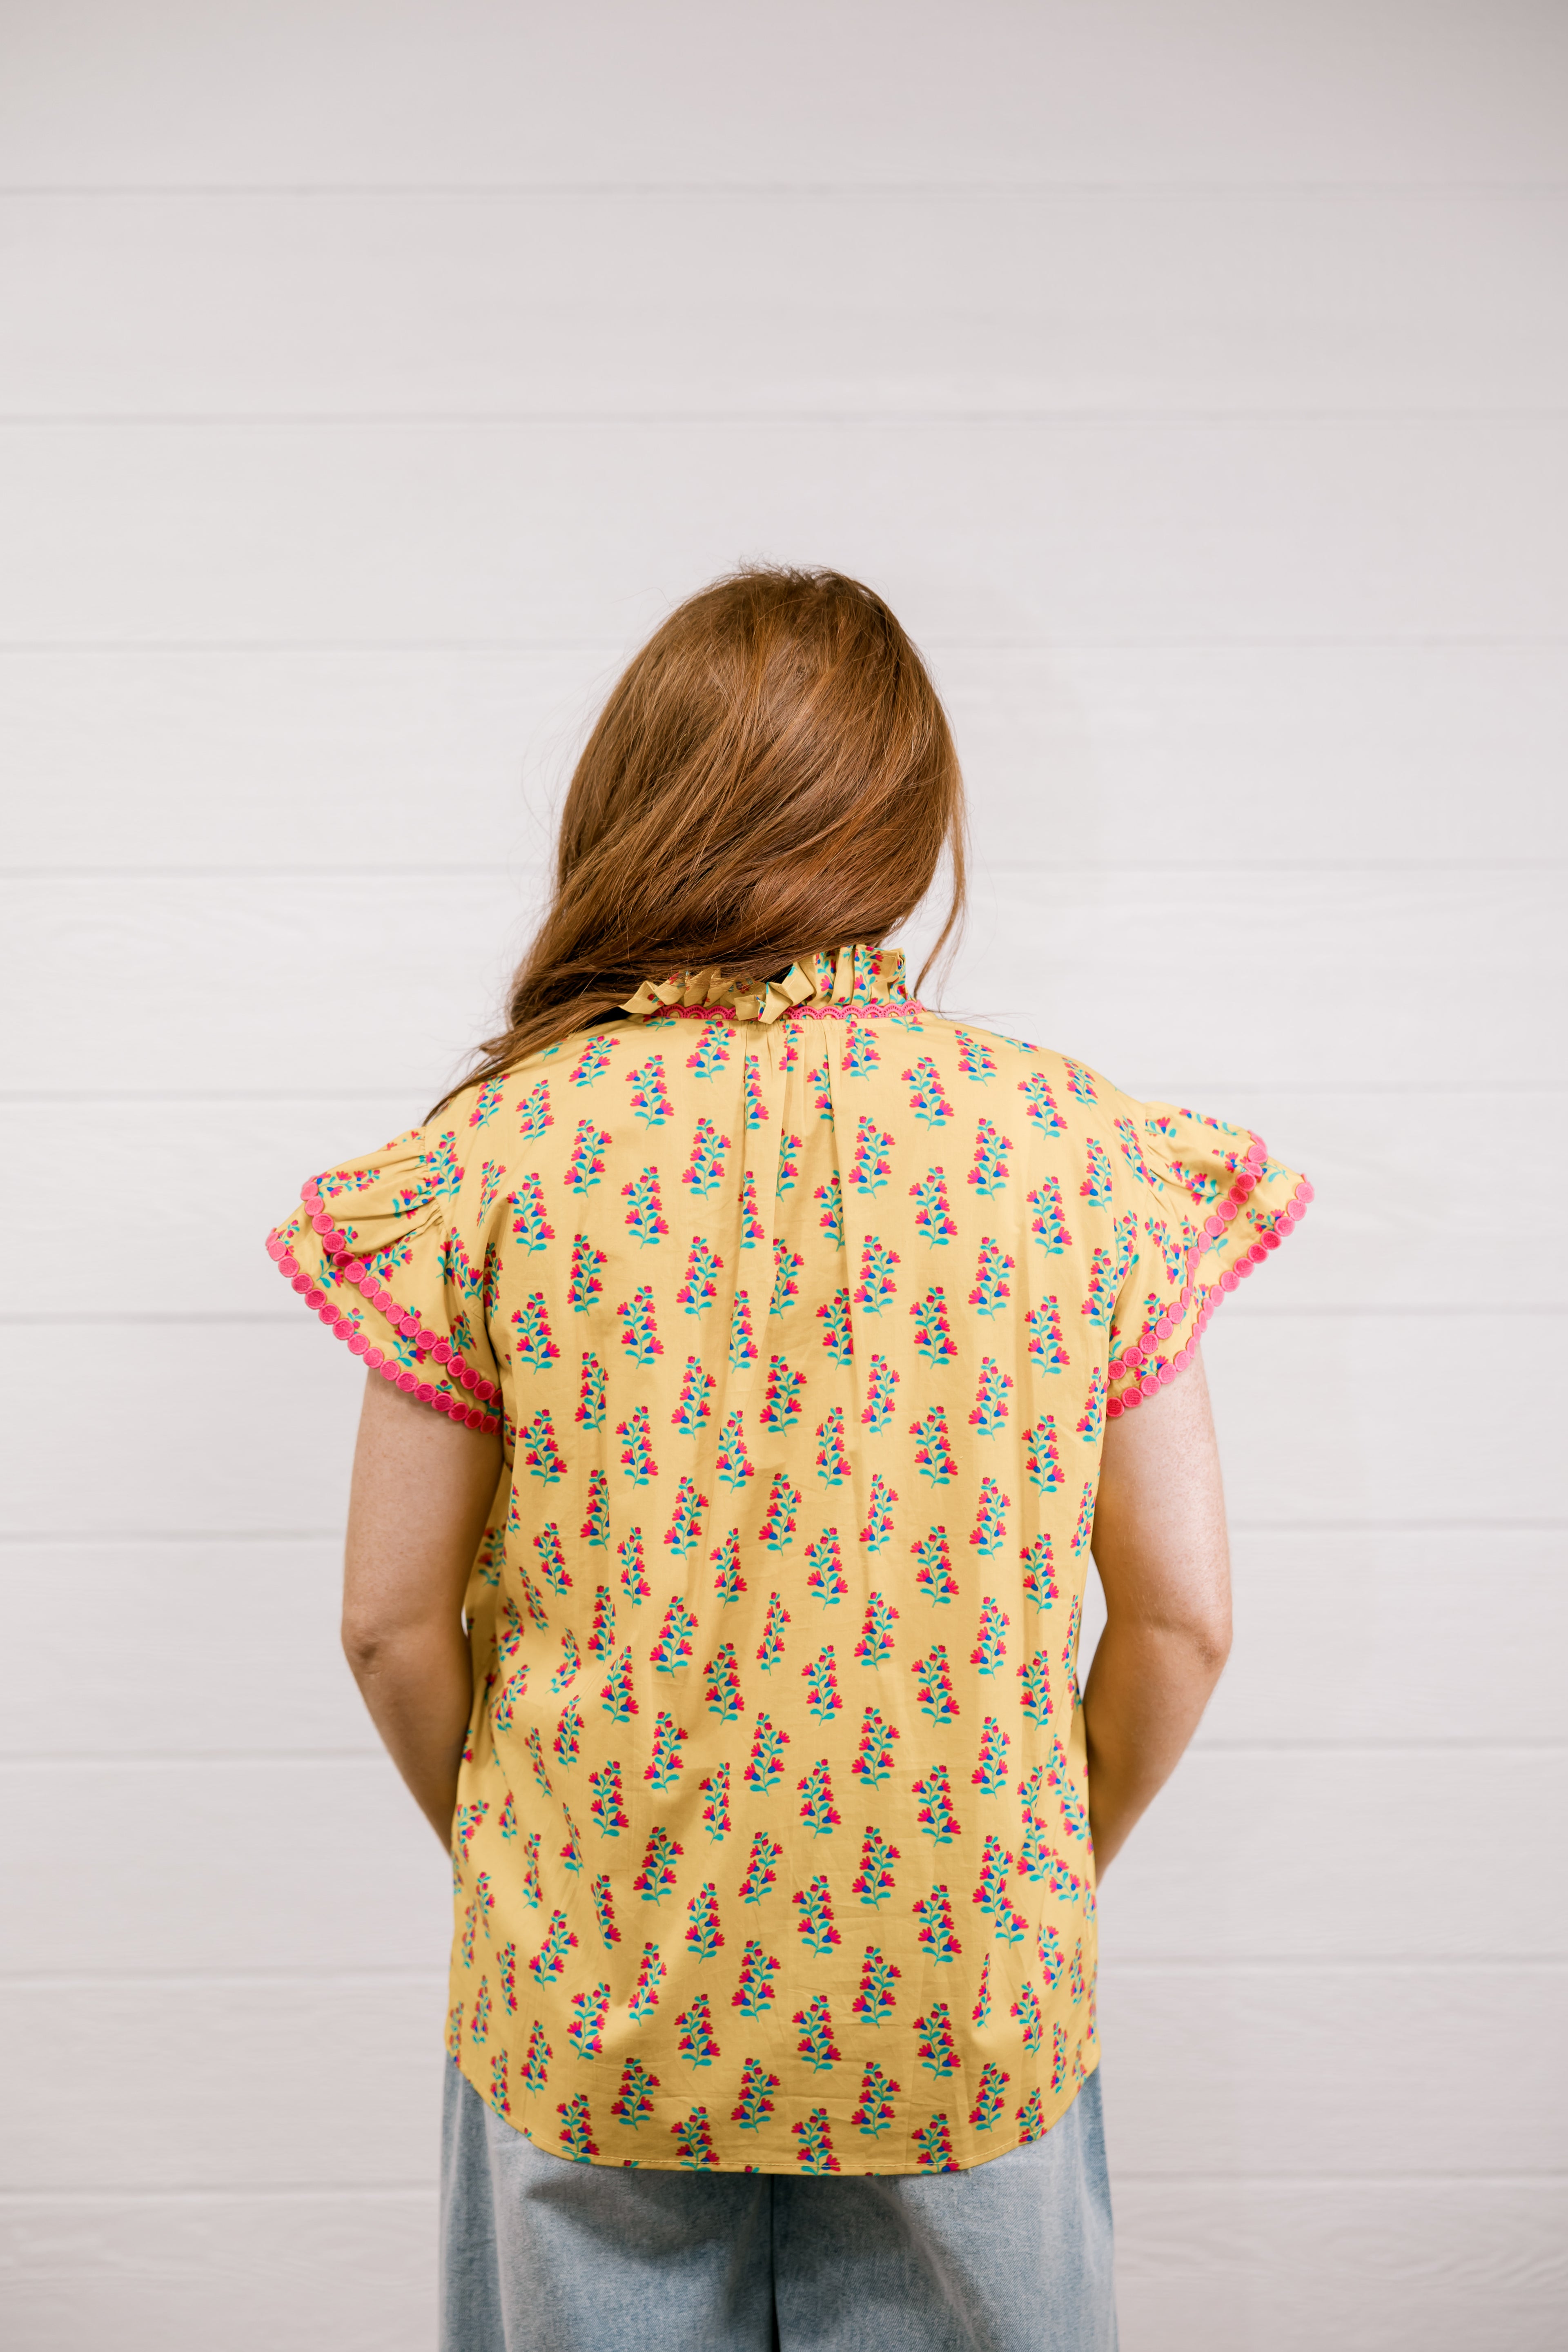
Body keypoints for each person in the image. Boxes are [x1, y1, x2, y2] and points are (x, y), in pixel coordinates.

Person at [266, 566, 1310, 2351]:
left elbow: (389, 1625)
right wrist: (1023, 1869)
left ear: (636, 807)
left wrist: (543, 1876)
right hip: (958, 1979)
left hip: (595, 1992)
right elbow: (1184, 1621)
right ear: (908, 825)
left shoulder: (503, 1156)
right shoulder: (1068, 1152)